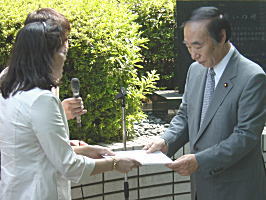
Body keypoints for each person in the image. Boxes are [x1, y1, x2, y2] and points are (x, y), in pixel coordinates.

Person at [0, 20, 140, 200]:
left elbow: (30, 147)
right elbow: (69, 166)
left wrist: (84, 150)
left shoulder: (8, 88)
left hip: (12, 190)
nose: (65, 59)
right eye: (63, 52)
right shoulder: (41, 99)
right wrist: (114, 163)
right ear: (45, 56)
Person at [144, 6, 266, 200]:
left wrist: (200, 160)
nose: (193, 54)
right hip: (202, 186)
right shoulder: (195, 70)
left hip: (237, 188)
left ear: (222, 36)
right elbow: (185, 115)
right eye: (188, 46)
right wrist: (166, 141)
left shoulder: (252, 77)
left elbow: (246, 136)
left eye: (198, 46)